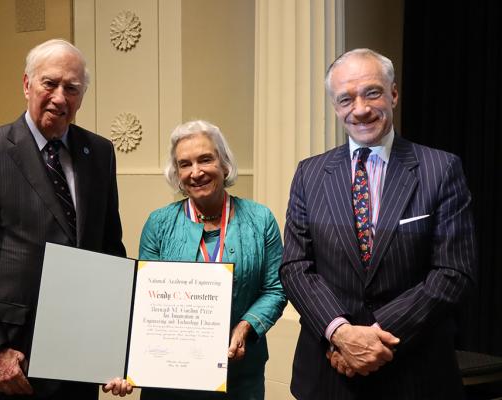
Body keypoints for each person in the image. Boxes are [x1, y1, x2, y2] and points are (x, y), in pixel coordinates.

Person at [280, 48, 477, 399]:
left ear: (394, 94)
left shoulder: (441, 169)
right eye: (346, 99)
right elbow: (296, 267)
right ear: (335, 107)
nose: (361, 108)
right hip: (328, 373)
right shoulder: (309, 174)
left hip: (414, 373)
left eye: (372, 92)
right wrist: (341, 334)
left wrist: (373, 337)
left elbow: (453, 271)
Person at [0, 39, 131, 399]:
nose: (61, 97)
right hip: (11, 368)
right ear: (27, 84)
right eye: (50, 83)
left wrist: (115, 347)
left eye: (72, 88)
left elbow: (110, 250)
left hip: (79, 363)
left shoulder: (100, 153)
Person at [138, 120, 287, 399]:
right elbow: (146, 302)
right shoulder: (158, 224)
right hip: (170, 378)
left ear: (224, 164)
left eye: (205, 159)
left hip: (239, 376)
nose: (196, 172)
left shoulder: (260, 219)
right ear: (176, 173)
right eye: (185, 164)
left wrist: (245, 327)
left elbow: (275, 289)